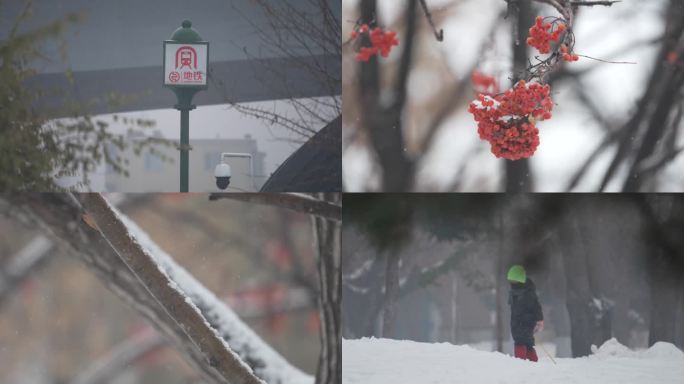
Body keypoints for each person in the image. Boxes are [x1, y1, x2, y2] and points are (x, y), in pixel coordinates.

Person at [507, 265, 543, 362]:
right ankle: (533, 362)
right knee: (527, 342)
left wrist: (539, 320)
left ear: (520, 280)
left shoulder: (528, 293)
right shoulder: (514, 292)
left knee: (520, 342)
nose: (511, 283)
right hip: (517, 322)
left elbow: (536, 306)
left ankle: (521, 363)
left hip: (525, 322)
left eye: (513, 281)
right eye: (510, 281)